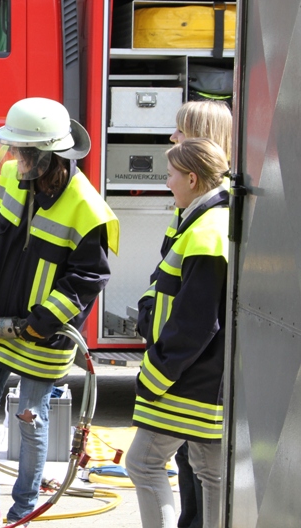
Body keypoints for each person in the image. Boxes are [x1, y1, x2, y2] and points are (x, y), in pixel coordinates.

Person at [0, 98, 119, 528]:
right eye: (12, 148)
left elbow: (88, 278)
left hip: (45, 336)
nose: (14, 157)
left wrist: (43, 321)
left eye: (23, 151)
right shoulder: (12, 178)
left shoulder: (86, 208)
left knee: (31, 419)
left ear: (49, 156)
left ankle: (23, 510)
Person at [126, 138, 230, 528]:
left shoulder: (207, 232)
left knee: (143, 463)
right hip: (203, 379)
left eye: (170, 175)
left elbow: (195, 323)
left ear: (192, 178)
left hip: (187, 380)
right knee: (211, 473)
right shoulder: (207, 220)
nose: (167, 183)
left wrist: (155, 376)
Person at [167, 99, 231, 528]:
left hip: (198, 369)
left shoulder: (212, 215)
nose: (173, 138)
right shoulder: (194, 204)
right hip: (192, 367)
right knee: (190, 464)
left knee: (197, 469)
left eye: (181, 132)